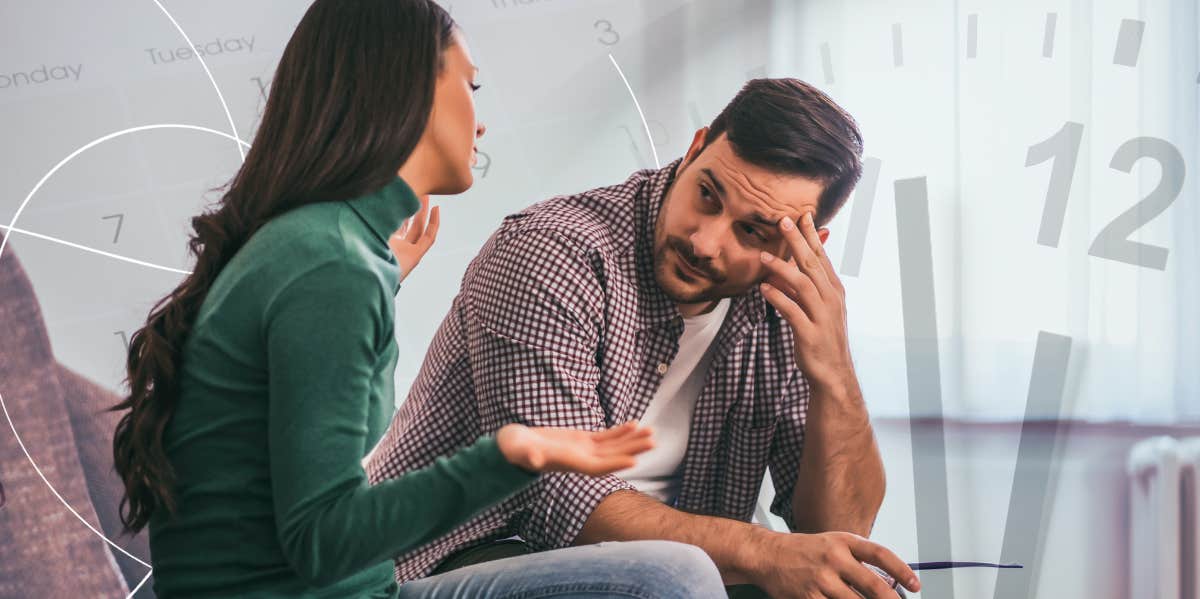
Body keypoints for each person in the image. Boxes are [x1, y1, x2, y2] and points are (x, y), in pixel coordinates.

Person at [109, 1, 726, 598]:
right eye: (472, 88)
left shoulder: (325, 251)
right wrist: (510, 454)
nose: (480, 121)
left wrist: (375, 281)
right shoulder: (329, 265)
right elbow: (323, 542)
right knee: (673, 580)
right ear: (411, 92)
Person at [364, 78, 923, 599]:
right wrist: (762, 550)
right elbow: (559, 502)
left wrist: (835, 372)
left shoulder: (783, 307)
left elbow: (838, 533)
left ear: (806, 244)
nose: (705, 242)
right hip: (441, 565)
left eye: (751, 230)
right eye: (707, 194)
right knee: (675, 573)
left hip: (661, 583)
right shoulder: (553, 254)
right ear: (696, 147)